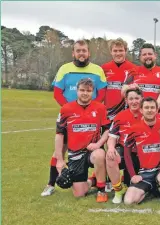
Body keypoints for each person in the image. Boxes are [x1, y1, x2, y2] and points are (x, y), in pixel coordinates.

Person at [41, 40, 107, 197]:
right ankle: (51, 184)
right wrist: (71, 110)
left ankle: (97, 182)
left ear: (88, 52)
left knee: (97, 153)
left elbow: (102, 93)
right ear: (73, 53)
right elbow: (57, 93)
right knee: (59, 151)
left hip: (90, 117)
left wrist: (89, 111)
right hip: (71, 118)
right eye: (78, 51)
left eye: (84, 50)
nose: (81, 53)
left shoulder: (97, 70)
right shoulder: (64, 69)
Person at [54, 78, 110, 202]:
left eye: (88, 91)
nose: (85, 93)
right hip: (75, 154)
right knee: (79, 193)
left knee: (100, 154)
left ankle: (101, 189)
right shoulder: (66, 109)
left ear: (93, 92)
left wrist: (98, 144)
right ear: (77, 91)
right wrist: (59, 159)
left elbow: (107, 130)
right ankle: (92, 180)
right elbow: (59, 134)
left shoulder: (100, 108)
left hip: (92, 150)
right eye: (82, 90)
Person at [122, 97, 160, 205]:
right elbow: (126, 153)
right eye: (146, 108)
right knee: (129, 201)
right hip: (144, 173)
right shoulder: (133, 129)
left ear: (156, 110)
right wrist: (133, 175)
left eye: (152, 108)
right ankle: (151, 189)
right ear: (141, 110)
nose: (149, 110)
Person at [105, 88, 143, 203]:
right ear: (126, 100)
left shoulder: (148, 113)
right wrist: (111, 148)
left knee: (136, 187)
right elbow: (112, 137)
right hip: (125, 150)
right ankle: (118, 190)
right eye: (131, 99)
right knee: (110, 156)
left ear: (142, 99)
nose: (134, 101)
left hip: (144, 152)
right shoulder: (120, 116)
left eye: (137, 98)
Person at [123, 43, 160, 112]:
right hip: (136, 114)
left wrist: (152, 109)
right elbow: (123, 91)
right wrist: (129, 87)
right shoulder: (134, 70)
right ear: (140, 57)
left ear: (155, 56)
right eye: (144, 54)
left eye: (150, 54)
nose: (147, 56)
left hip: (155, 114)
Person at [101, 38, 137, 120]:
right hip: (108, 114)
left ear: (125, 51)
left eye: (121, 50)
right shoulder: (104, 68)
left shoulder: (134, 69)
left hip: (127, 113)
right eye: (115, 51)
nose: (118, 53)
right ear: (111, 52)